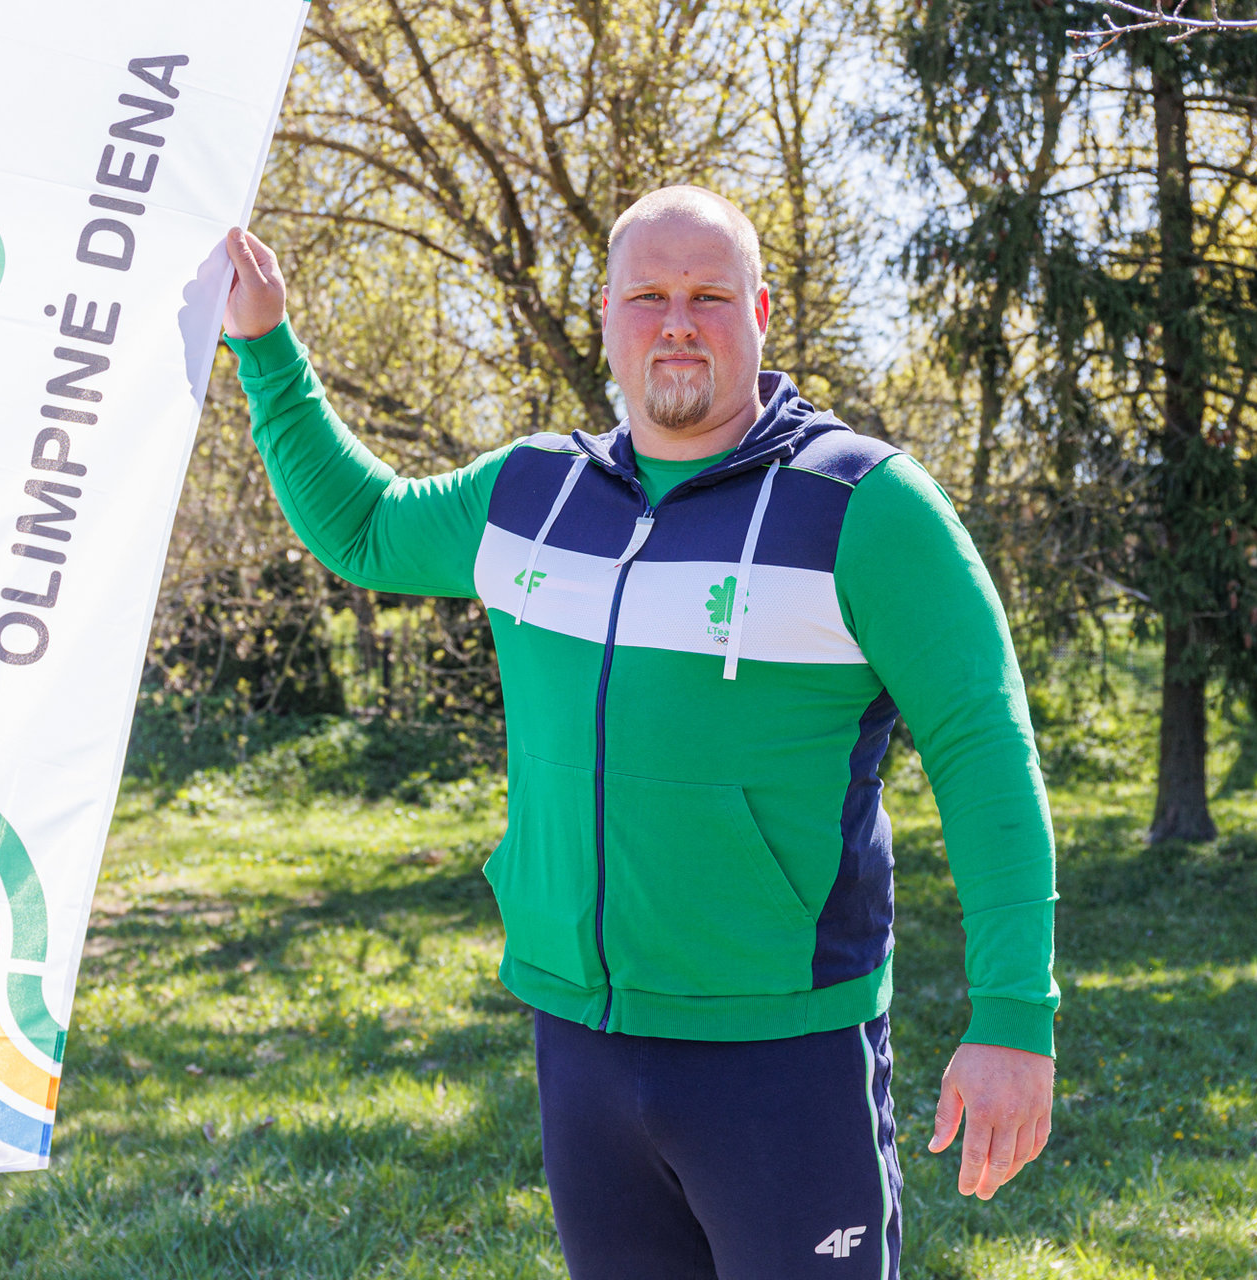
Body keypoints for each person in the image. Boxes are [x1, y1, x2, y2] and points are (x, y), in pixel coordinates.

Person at [219, 185, 1058, 1280]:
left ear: (760, 310)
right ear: (606, 314)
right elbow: (366, 527)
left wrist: (1013, 1017)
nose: (677, 320)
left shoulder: (866, 505)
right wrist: (264, 343)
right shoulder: (532, 492)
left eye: (709, 294)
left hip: (782, 1053)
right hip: (583, 1045)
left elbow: (986, 754)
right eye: (648, 294)